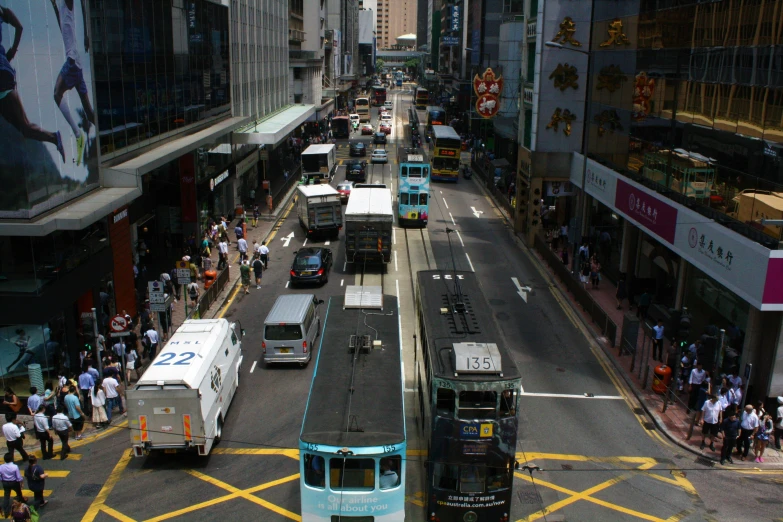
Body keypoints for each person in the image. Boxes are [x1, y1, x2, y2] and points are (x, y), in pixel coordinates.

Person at [0, 6, 65, 164]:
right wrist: (12, 50)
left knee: (25, 127)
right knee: (25, 130)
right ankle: (54, 138)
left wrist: (13, 51)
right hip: (4, 75)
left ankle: (55, 137)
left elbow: (19, 27)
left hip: (2, 76)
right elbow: (19, 27)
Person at [50, 0, 95, 166]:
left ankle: (78, 135)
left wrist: (86, 35)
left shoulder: (67, 4)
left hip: (72, 62)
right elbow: (61, 25)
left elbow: (82, 4)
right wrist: (54, 6)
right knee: (89, 113)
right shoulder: (61, 7)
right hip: (77, 65)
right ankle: (103, 130)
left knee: (56, 93)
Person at [0, 453, 26, 517]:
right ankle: (22, 506)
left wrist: (2, 480)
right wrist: (21, 482)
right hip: (14, 482)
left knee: (6, 496)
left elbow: (0, 476)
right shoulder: (15, 466)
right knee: (19, 493)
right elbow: (18, 477)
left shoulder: (1, 466)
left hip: (5, 482)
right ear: (11, 459)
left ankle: (6, 512)